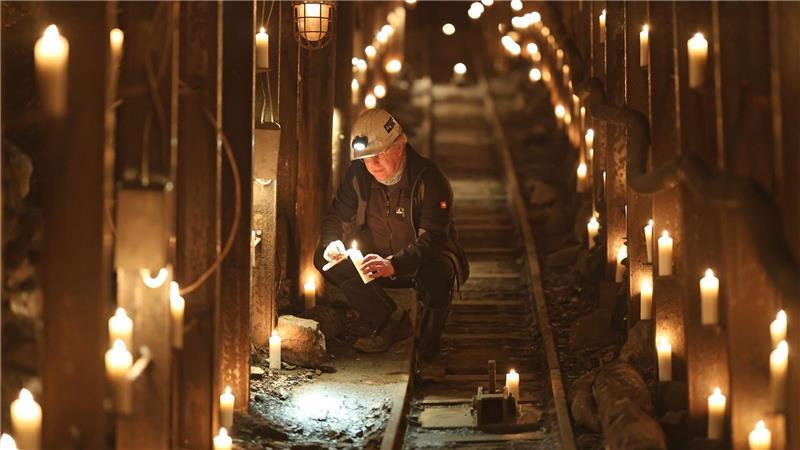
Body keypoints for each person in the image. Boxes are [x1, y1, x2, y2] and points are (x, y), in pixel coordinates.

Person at [314, 108, 469, 378]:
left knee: (439, 275)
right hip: (374, 260)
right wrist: (332, 243)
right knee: (323, 259)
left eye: (378, 155)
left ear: (400, 145)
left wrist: (394, 264)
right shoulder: (357, 176)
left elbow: (434, 238)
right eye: (365, 158)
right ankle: (389, 322)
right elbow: (336, 217)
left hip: (419, 262)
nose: (372, 164)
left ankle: (428, 353)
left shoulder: (429, 179)